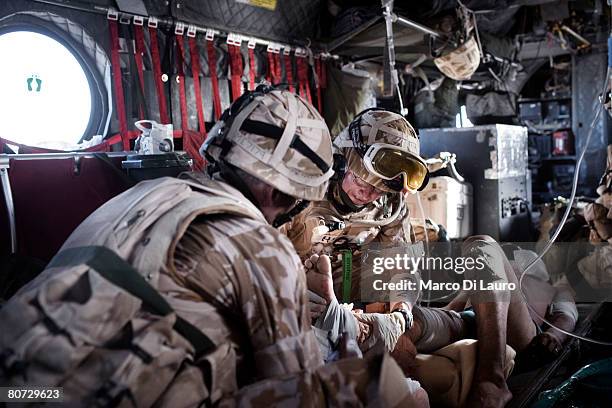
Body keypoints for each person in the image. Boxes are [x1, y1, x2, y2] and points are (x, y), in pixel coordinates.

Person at [0, 89, 428, 407]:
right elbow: (303, 384)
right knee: (374, 385)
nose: (374, 191)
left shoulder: (141, 193)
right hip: (85, 397)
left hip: (18, 384)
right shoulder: (263, 248)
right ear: (294, 193)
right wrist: (346, 332)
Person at [281, 109, 570, 407]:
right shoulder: (298, 198)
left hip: (494, 329)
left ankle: (491, 379)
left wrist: (399, 315)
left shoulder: (390, 205)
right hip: (324, 319)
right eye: (362, 181)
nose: (368, 194)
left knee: (481, 250)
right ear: (343, 161)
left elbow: (400, 270)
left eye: (379, 188)